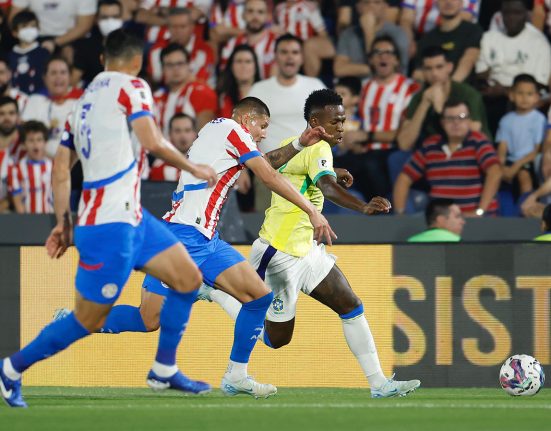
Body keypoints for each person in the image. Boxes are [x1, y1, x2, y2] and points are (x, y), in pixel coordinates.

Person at [54, 96, 337, 399]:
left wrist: (298, 144)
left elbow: (262, 164)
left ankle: (236, 375)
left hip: (204, 239)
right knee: (148, 319)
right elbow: (267, 175)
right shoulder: (232, 130)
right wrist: (312, 210)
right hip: (182, 237)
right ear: (246, 120)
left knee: (257, 297)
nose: (265, 133)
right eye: (263, 125)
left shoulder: (222, 132)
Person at [0, 28, 219, 408]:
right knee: (87, 320)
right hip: (108, 227)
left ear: (103, 59)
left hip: (131, 218)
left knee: (188, 278)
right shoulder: (132, 87)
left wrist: (63, 221)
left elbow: (60, 170)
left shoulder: (80, 104)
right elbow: (151, 141)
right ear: (137, 62)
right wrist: (193, 167)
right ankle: (11, 369)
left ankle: (164, 368)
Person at [196, 89, 420, 398]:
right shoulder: (317, 148)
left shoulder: (307, 146)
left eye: (344, 120)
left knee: (350, 305)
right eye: (336, 121)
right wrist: (362, 205)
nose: (342, 127)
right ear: (316, 122)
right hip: (280, 252)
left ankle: (379, 383)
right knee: (276, 339)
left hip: (308, 251)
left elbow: (290, 166)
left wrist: (331, 171)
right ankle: (215, 292)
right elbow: (326, 188)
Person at [248, 33, 325, 211]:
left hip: (308, 170)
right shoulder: (259, 90)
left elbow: (329, 127)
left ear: (301, 57)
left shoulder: (315, 86)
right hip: (268, 169)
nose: (289, 56)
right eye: (284, 52)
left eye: (294, 52)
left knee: (306, 227)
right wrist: (244, 170)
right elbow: (244, 133)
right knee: (266, 226)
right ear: (275, 57)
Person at [336, 35, 418, 201]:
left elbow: (404, 134)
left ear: (396, 60)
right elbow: (353, 119)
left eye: (389, 52)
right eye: (378, 52)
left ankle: (383, 210)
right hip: (362, 150)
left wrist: (367, 136)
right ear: (371, 60)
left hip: (392, 149)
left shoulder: (410, 88)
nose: (383, 56)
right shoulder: (364, 88)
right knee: (331, 166)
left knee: (370, 166)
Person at [393, 100, 502, 216]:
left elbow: (495, 173)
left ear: (469, 120)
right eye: (450, 118)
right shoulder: (430, 146)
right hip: (440, 220)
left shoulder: (478, 142)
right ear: (442, 122)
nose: (456, 123)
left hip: (474, 219)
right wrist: (400, 214)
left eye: (461, 117)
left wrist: (479, 212)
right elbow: (404, 178)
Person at [475, 0, 551, 134]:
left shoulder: (538, 42)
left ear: (527, 15)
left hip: (522, 99)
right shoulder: (490, 37)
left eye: (517, 13)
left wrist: (505, 91)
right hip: (491, 95)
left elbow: (540, 84)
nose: (511, 18)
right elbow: (481, 73)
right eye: (507, 13)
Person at [397, 46, 489, 154]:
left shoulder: (467, 94)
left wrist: (440, 109)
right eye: (428, 69)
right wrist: (424, 104)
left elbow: (473, 132)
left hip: (470, 151)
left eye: (439, 67)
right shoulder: (419, 98)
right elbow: (404, 144)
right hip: (435, 152)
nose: (434, 74)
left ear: (449, 67)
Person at [22, 57, 83, 158]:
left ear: (70, 77)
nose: (58, 77)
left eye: (63, 72)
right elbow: (26, 136)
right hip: (39, 164)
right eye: (53, 73)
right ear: (45, 77)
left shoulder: (80, 102)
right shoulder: (35, 100)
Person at [496, 74, 546, 196]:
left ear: (537, 97)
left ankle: (526, 208)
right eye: (520, 93)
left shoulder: (539, 119)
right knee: (494, 173)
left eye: (529, 94)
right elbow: (502, 149)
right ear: (511, 95)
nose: (524, 98)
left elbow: (537, 150)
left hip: (529, 161)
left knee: (524, 176)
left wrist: (516, 166)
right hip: (510, 161)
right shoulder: (506, 120)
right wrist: (501, 167)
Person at [152, 42, 217, 137]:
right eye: (170, 65)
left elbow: (207, 136)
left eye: (180, 63)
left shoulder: (200, 92)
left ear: (189, 66)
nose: (175, 69)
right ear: (163, 69)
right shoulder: (157, 96)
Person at [334, 0, 409, 79]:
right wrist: (371, 68)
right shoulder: (348, 34)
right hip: (355, 86)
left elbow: (398, 71)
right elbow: (339, 70)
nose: (371, 6)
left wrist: (369, 32)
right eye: (366, 2)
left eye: (377, 2)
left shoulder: (397, 33)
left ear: (385, 6)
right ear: (358, 7)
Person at [414, 0, 482, 83]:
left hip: (462, 89)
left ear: (461, 4)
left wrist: (449, 88)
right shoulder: (427, 38)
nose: (448, 2)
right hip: (433, 91)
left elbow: (468, 61)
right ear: (436, 3)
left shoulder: (473, 31)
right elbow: (418, 73)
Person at [146, 7, 215, 84]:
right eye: (174, 27)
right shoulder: (157, 50)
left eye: (183, 27)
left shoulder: (204, 50)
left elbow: (201, 80)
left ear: (192, 27)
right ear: (168, 28)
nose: (178, 31)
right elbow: (156, 77)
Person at [274, 0, 335, 77]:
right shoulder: (279, 8)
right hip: (285, 46)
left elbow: (322, 33)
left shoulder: (309, 7)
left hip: (304, 48)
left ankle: (310, 83)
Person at [72, 0, 125, 87]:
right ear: (96, 19)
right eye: (105, 17)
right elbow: (74, 80)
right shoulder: (86, 47)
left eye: (115, 17)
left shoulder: (131, 45)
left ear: (122, 18)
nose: (110, 21)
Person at [10, 0, 96, 54]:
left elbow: (84, 26)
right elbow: (13, 18)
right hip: (36, 37)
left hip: (71, 38)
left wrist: (55, 43)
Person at [219, 0, 277, 79]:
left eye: (260, 12)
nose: (255, 17)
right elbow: (224, 74)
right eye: (250, 11)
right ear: (243, 15)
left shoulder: (277, 42)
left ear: (267, 16)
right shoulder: (232, 43)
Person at [8, 120, 52, 214]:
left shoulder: (54, 167)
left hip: (50, 219)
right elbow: (17, 200)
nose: (35, 144)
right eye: (31, 140)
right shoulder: (16, 169)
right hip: (27, 221)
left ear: (45, 142)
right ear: (24, 144)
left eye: (39, 140)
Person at [9, 9, 50, 94]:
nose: (29, 30)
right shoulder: (9, 56)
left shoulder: (44, 54)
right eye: (24, 26)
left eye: (33, 26)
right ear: (14, 32)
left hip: (39, 99)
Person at [149, 113, 197, 182]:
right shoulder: (159, 166)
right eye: (177, 131)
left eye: (187, 130)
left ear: (194, 134)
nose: (182, 135)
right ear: (170, 134)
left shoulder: (205, 161)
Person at [217, 44, 261, 118]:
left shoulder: (267, 93)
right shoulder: (222, 98)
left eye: (248, 61)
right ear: (231, 66)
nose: (243, 66)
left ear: (255, 66)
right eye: (239, 61)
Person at [0, 96, 25, 163]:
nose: (7, 118)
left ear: (18, 116)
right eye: (1, 114)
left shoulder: (26, 143)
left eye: (11, 113)